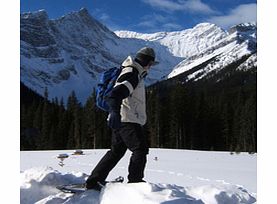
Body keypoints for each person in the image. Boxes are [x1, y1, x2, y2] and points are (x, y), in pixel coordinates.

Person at [85, 47, 159, 190]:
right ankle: (135, 183)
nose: (151, 67)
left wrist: (115, 113)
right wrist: (114, 112)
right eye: (151, 64)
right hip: (128, 119)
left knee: (116, 151)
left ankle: (94, 181)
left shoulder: (131, 71)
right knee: (140, 149)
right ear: (147, 62)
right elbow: (115, 93)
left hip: (122, 118)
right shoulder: (132, 73)